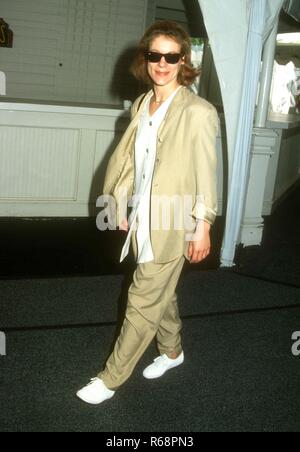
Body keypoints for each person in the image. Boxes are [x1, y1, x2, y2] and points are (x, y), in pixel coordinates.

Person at [77, 20, 219, 405]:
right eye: (154, 55)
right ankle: (172, 352)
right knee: (162, 290)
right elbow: (130, 162)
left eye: (171, 56)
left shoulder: (199, 112)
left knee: (142, 296)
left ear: (183, 61)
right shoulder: (143, 103)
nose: (162, 63)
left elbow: (207, 172)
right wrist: (122, 202)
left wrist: (202, 225)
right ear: (146, 58)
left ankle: (110, 379)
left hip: (175, 219)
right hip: (144, 215)